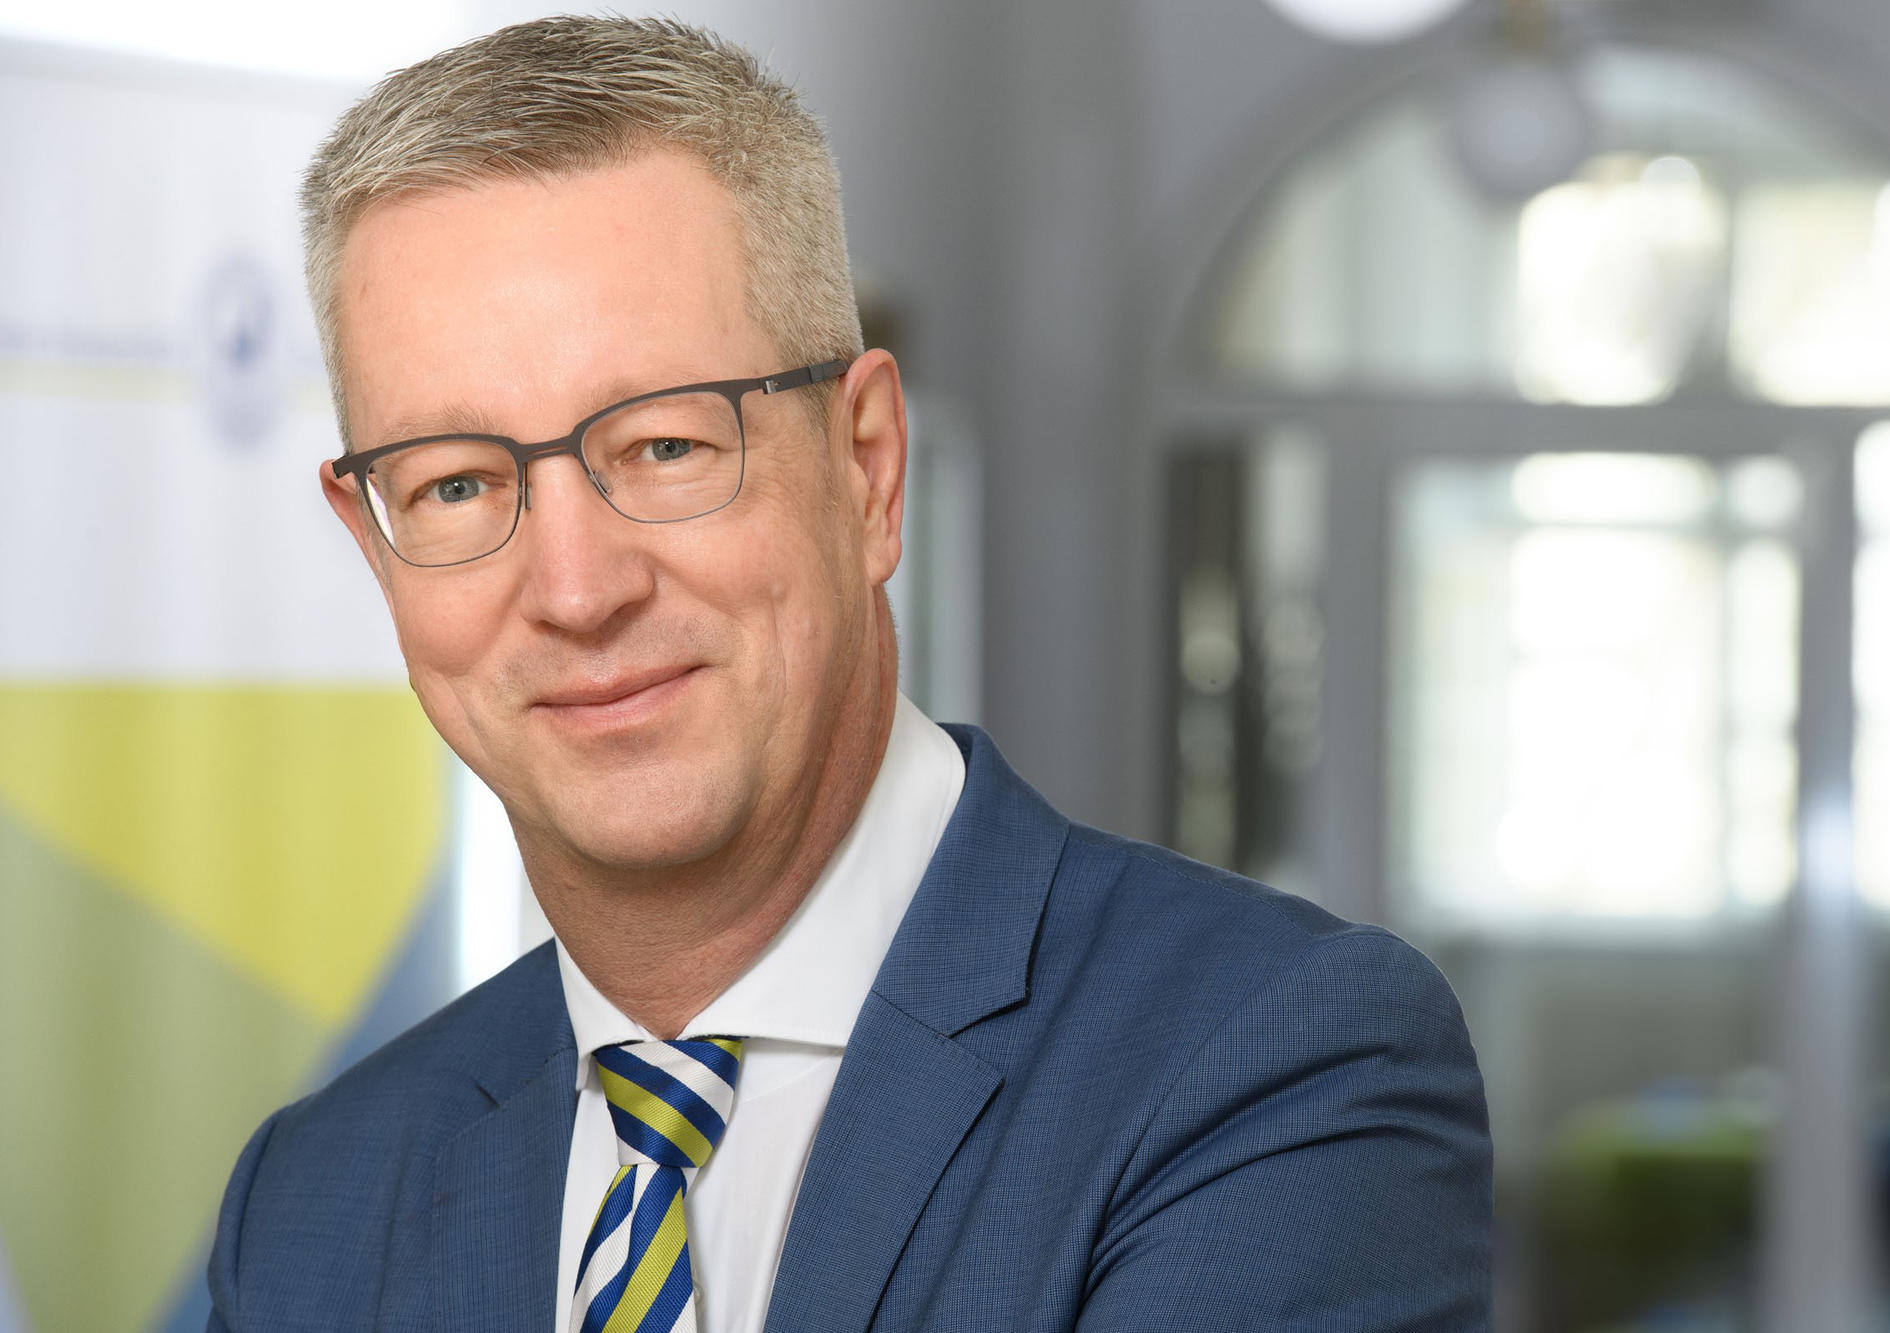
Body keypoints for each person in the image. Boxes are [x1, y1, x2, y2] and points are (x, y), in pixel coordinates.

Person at [207, 15, 1491, 1333]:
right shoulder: (311, 1203)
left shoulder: (1280, 1065)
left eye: (666, 446)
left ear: (868, 467)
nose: (579, 592)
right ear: (374, 543)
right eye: (456, 483)